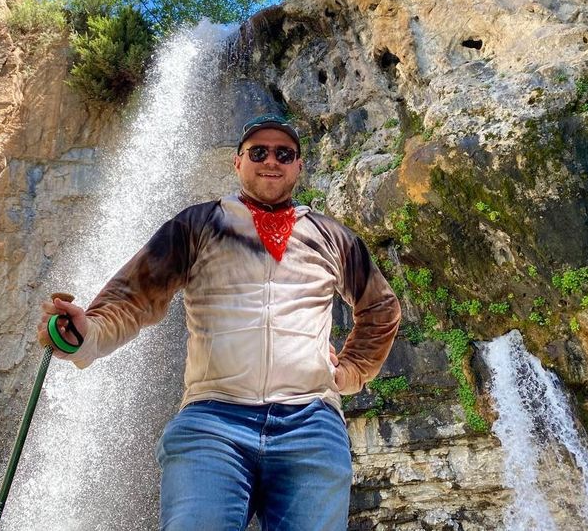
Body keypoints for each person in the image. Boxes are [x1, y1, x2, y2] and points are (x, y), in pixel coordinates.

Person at [38, 113, 401, 531]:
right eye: (258, 151)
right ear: (238, 162)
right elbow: (132, 298)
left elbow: (381, 307)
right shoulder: (196, 225)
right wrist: (86, 333)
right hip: (213, 421)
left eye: (284, 153)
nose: (271, 160)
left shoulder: (333, 236)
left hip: (311, 423)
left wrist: (353, 371)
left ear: (299, 165)